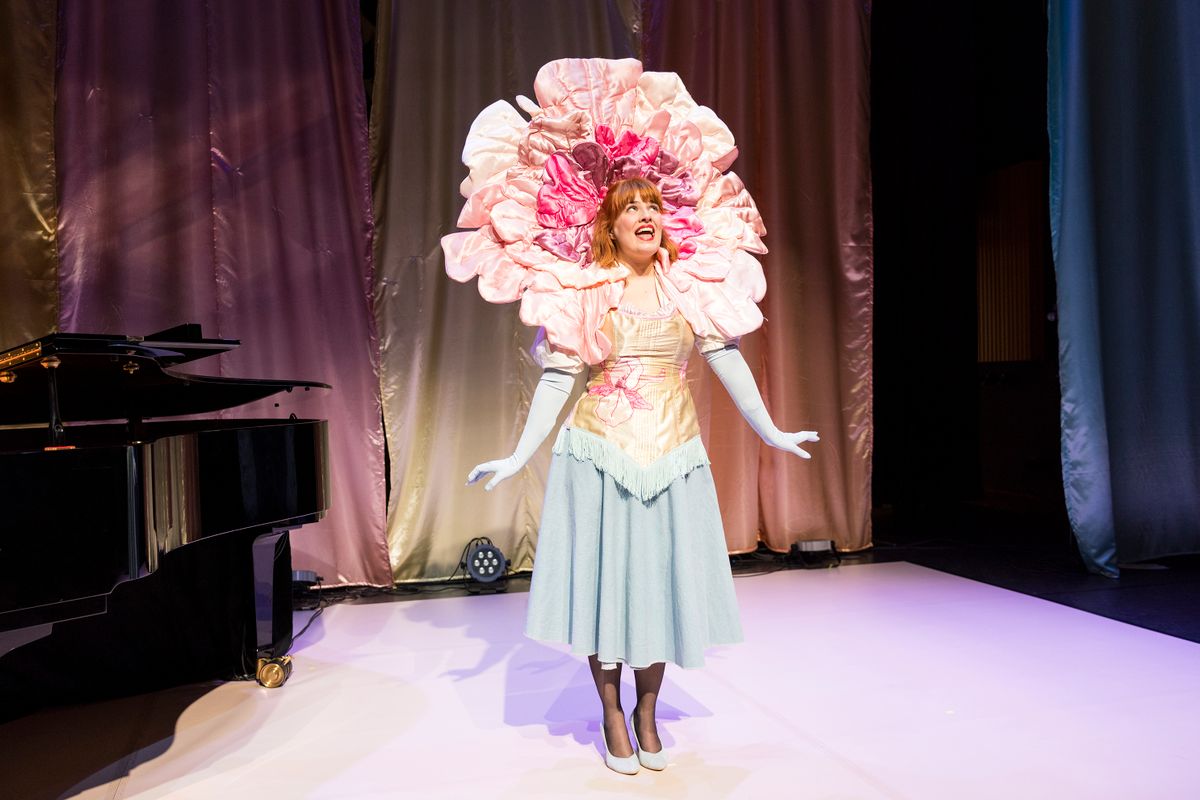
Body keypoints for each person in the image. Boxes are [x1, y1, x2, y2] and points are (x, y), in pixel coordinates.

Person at [462, 176, 818, 774]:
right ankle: (611, 715)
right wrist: (518, 456)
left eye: (652, 205)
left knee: (658, 586)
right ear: (611, 225)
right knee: (605, 586)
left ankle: (646, 713)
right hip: (601, 455)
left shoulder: (688, 287)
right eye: (631, 208)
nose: (646, 214)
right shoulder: (587, 291)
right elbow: (559, 378)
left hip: (672, 454)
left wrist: (772, 431)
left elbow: (726, 358)